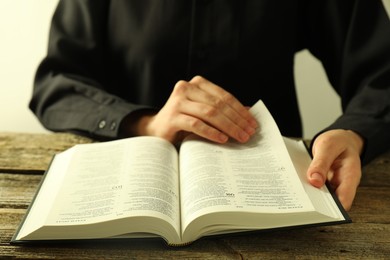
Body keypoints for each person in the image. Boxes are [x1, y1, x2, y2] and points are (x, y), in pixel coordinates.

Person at [30, 0, 390, 211]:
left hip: (276, 207)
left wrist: (354, 133)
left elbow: (383, 72)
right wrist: (146, 124)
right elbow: (56, 84)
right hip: (128, 202)